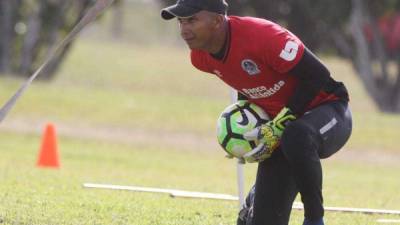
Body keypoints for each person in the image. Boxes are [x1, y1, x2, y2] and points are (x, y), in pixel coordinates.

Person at [161, 0, 352, 225]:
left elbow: (318, 75)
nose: (184, 30)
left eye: (192, 20)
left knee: (296, 135)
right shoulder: (201, 58)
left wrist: (281, 122)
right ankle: (256, 197)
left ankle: (314, 218)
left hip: (329, 110)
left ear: (216, 20)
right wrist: (245, 133)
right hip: (281, 132)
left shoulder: (263, 36)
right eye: (181, 22)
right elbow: (247, 80)